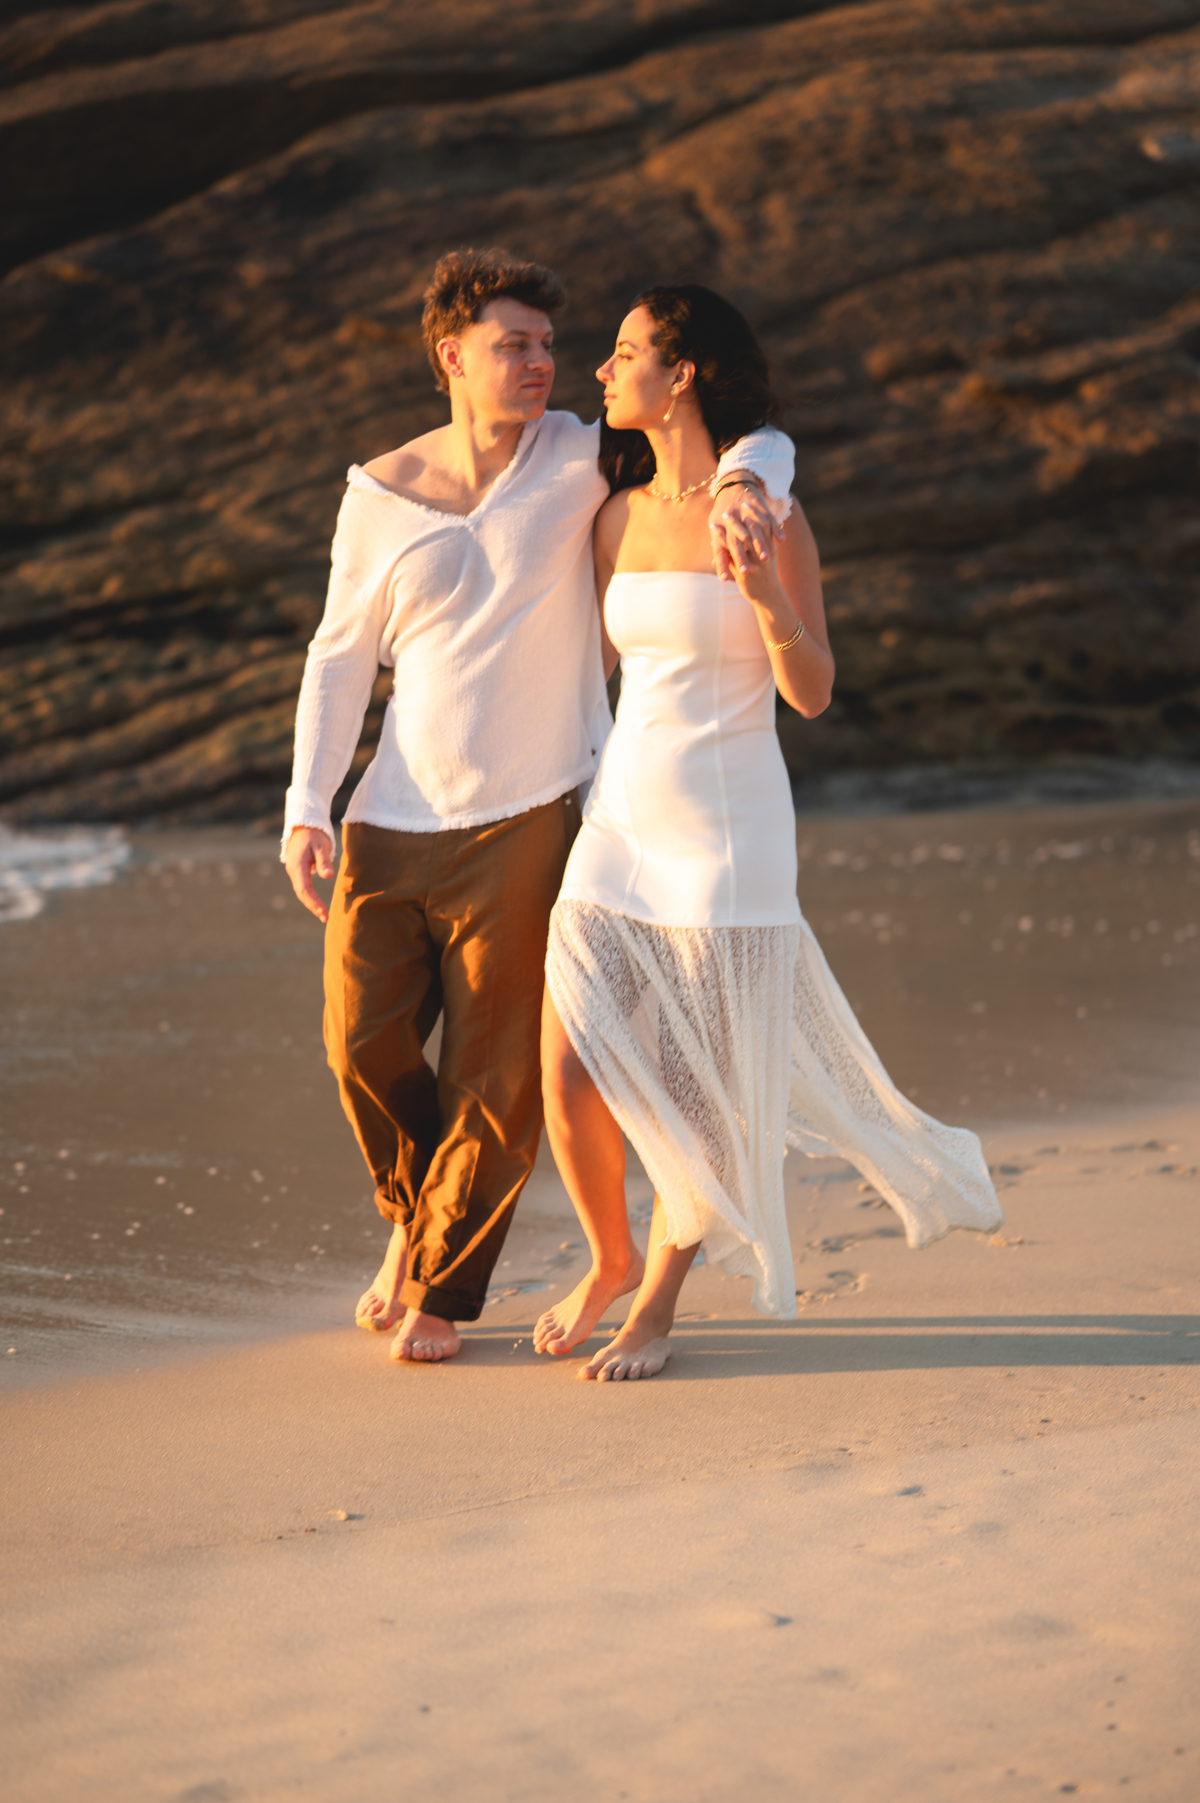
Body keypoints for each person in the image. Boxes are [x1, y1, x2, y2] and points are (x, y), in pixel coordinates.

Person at [282, 248, 795, 1363]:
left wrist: (757, 481)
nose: (541, 363)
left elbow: (734, 428)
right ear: (451, 357)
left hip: (531, 818)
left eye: (550, 346)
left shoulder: (579, 455)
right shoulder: (378, 493)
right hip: (388, 818)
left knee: (497, 1075)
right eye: (514, 344)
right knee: (359, 1048)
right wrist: (307, 804)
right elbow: (337, 655)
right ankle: (418, 1223)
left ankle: (443, 1292)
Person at [535, 284, 1003, 1381]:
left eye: (622, 353)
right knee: (568, 1058)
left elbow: (813, 690)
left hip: (727, 826)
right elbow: (589, 674)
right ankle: (610, 1255)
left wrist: (767, 601)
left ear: (682, 371)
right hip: (621, 818)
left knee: (699, 1085)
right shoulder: (613, 515)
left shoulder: (767, 518)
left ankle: (655, 1304)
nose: (602, 374)